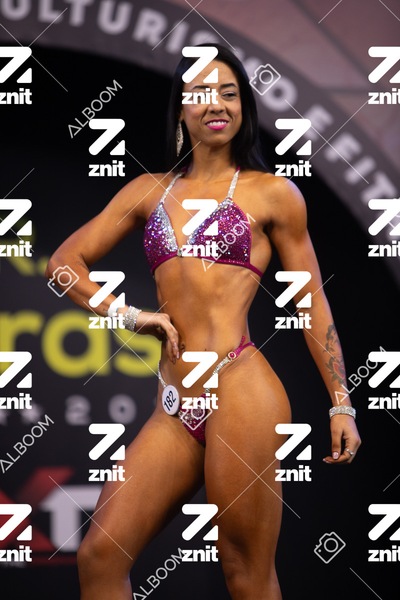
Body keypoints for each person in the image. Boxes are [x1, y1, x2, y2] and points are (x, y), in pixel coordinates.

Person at [46, 44, 361, 600]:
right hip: (173, 406)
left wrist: (341, 402)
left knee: (244, 570)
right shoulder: (148, 191)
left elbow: (311, 300)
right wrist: (128, 315)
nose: (217, 104)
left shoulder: (273, 194)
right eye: (201, 93)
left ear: (244, 107)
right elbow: (63, 265)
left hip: (240, 388)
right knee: (99, 556)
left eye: (229, 93)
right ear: (180, 109)